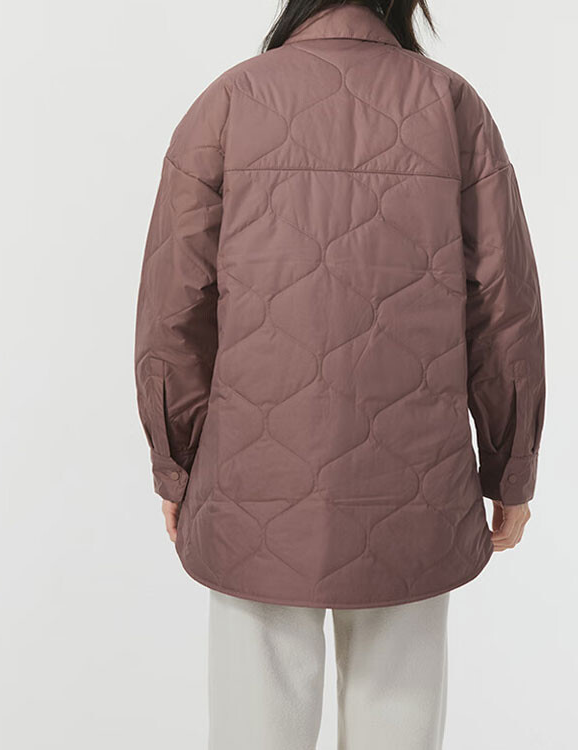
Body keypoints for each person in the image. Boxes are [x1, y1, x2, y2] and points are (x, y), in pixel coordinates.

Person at [134, 1, 545, 747]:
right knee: (398, 725)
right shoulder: (450, 105)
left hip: (253, 482)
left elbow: (174, 309)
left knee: (255, 728)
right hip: (414, 483)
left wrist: (177, 460)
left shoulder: (229, 101)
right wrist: (509, 468)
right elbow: (504, 308)